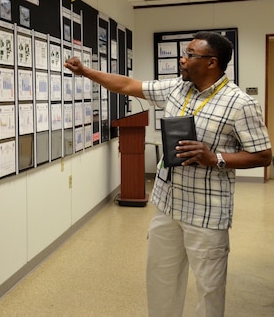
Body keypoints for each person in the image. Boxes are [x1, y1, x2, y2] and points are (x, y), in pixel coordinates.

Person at [64, 31, 271, 317]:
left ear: (211, 63)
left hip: (207, 214)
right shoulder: (176, 88)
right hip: (167, 206)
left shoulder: (240, 104)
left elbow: (263, 155)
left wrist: (216, 158)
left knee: (209, 291)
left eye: (189, 55)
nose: (182, 59)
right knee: (161, 280)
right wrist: (86, 71)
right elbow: (126, 84)